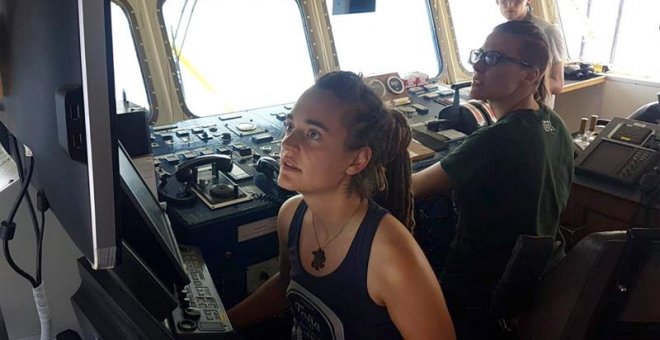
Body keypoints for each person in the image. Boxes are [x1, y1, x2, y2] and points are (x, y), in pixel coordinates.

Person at [228, 71, 455, 339]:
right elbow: (285, 286)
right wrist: (218, 325)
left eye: (313, 134)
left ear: (357, 160)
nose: (287, 144)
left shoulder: (391, 255)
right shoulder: (291, 214)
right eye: (290, 127)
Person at [412, 20, 573, 337]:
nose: (476, 64)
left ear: (530, 75)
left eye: (493, 58)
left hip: (475, 292)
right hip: (527, 283)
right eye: (480, 54)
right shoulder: (555, 125)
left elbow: (410, 188)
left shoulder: (497, 139)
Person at [497, 0, 566, 105]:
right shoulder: (498, 34)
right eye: (504, 1)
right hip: (506, 110)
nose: (510, 5)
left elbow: (557, 85)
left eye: (516, 1)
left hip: (536, 112)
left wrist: (517, 86)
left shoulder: (548, 31)